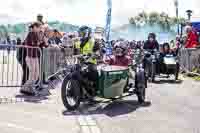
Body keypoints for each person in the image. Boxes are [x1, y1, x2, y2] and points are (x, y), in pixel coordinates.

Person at [20, 22, 42, 95]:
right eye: (39, 27)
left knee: (36, 74)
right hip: (30, 56)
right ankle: (26, 88)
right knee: (32, 73)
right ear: (35, 27)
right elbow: (31, 44)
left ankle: (27, 87)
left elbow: (39, 43)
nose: (40, 29)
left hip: (35, 56)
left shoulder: (36, 34)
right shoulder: (30, 34)